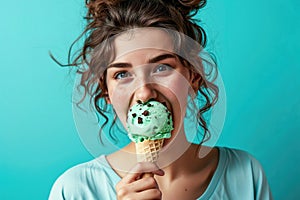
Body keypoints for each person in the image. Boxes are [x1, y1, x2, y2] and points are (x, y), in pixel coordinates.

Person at [49, 0, 273, 199]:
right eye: (122, 74)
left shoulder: (246, 175)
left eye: (162, 67)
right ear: (106, 92)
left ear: (193, 76)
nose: (145, 92)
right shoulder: (75, 190)